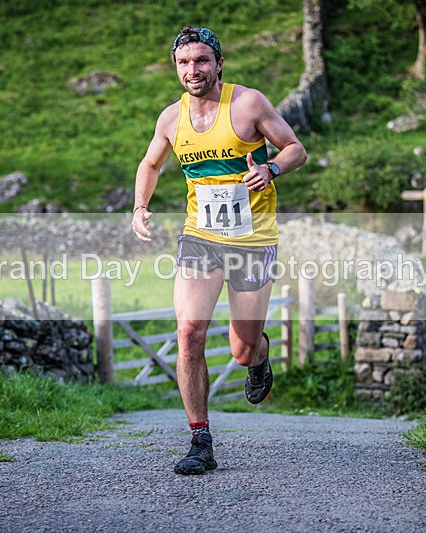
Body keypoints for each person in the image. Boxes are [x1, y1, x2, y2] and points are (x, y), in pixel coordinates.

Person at [131, 26, 307, 475]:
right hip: (201, 237)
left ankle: (259, 357)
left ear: (219, 63)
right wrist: (140, 206)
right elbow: (150, 163)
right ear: (176, 67)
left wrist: (270, 168)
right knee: (189, 330)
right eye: (185, 62)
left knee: (242, 349)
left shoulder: (248, 103)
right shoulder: (171, 118)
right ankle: (199, 440)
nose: (193, 70)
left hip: (253, 239)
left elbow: (295, 148)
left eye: (202, 61)